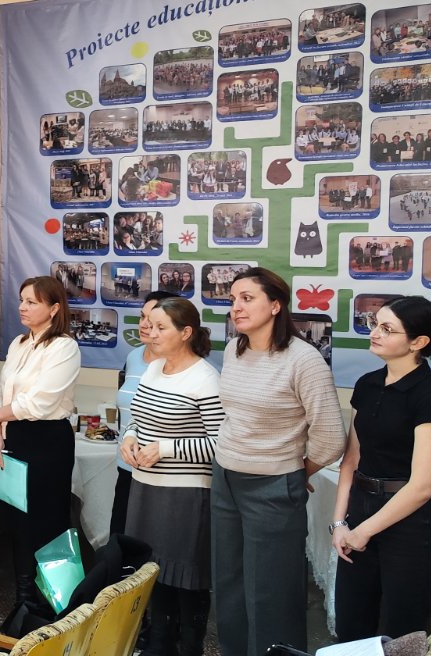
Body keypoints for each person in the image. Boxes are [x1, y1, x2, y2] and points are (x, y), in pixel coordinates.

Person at [213, 267, 345, 655]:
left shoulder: (303, 360)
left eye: (247, 298)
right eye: (233, 300)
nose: (236, 307)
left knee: (271, 591)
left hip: (273, 485)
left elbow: (331, 437)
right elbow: (233, 415)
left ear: (275, 305)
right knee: (229, 583)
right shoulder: (233, 350)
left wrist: (297, 472)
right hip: (225, 478)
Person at [331, 296, 431, 641]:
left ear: (418, 342)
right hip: (360, 509)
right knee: (351, 628)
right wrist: (340, 523)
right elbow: (351, 460)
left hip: (409, 525)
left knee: (402, 634)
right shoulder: (367, 384)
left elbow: (421, 487)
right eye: (375, 324)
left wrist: (365, 531)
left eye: (387, 329)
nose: (375, 333)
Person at [121, 297, 224, 656]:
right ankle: (160, 645)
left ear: (186, 332)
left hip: (185, 494)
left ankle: (189, 648)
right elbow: (138, 419)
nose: (150, 332)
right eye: (149, 325)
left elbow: (219, 444)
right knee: (154, 574)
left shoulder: (206, 379)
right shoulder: (154, 369)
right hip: (145, 487)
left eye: (161, 327)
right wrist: (129, 437)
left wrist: (165, 449)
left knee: (186, 580)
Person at [0, 276, 81, 632]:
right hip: (14, 435)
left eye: (32, 302)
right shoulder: (19, 342)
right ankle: (23, 603)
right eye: (22, 300)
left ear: (54, 309)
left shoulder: (64, 347)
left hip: (46, 440)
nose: (22, 307)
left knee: (46, 523)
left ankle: (53, 607)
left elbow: (39, 402)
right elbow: (0, 390)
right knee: (17, 523)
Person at [112, 291, 178, 537]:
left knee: (154, 544)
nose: (144, 324)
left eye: (153, 320)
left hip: (162, 471)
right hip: (126, 466)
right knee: (120, 540)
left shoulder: (181, 363)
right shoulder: (133, 356)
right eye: (142, 317)